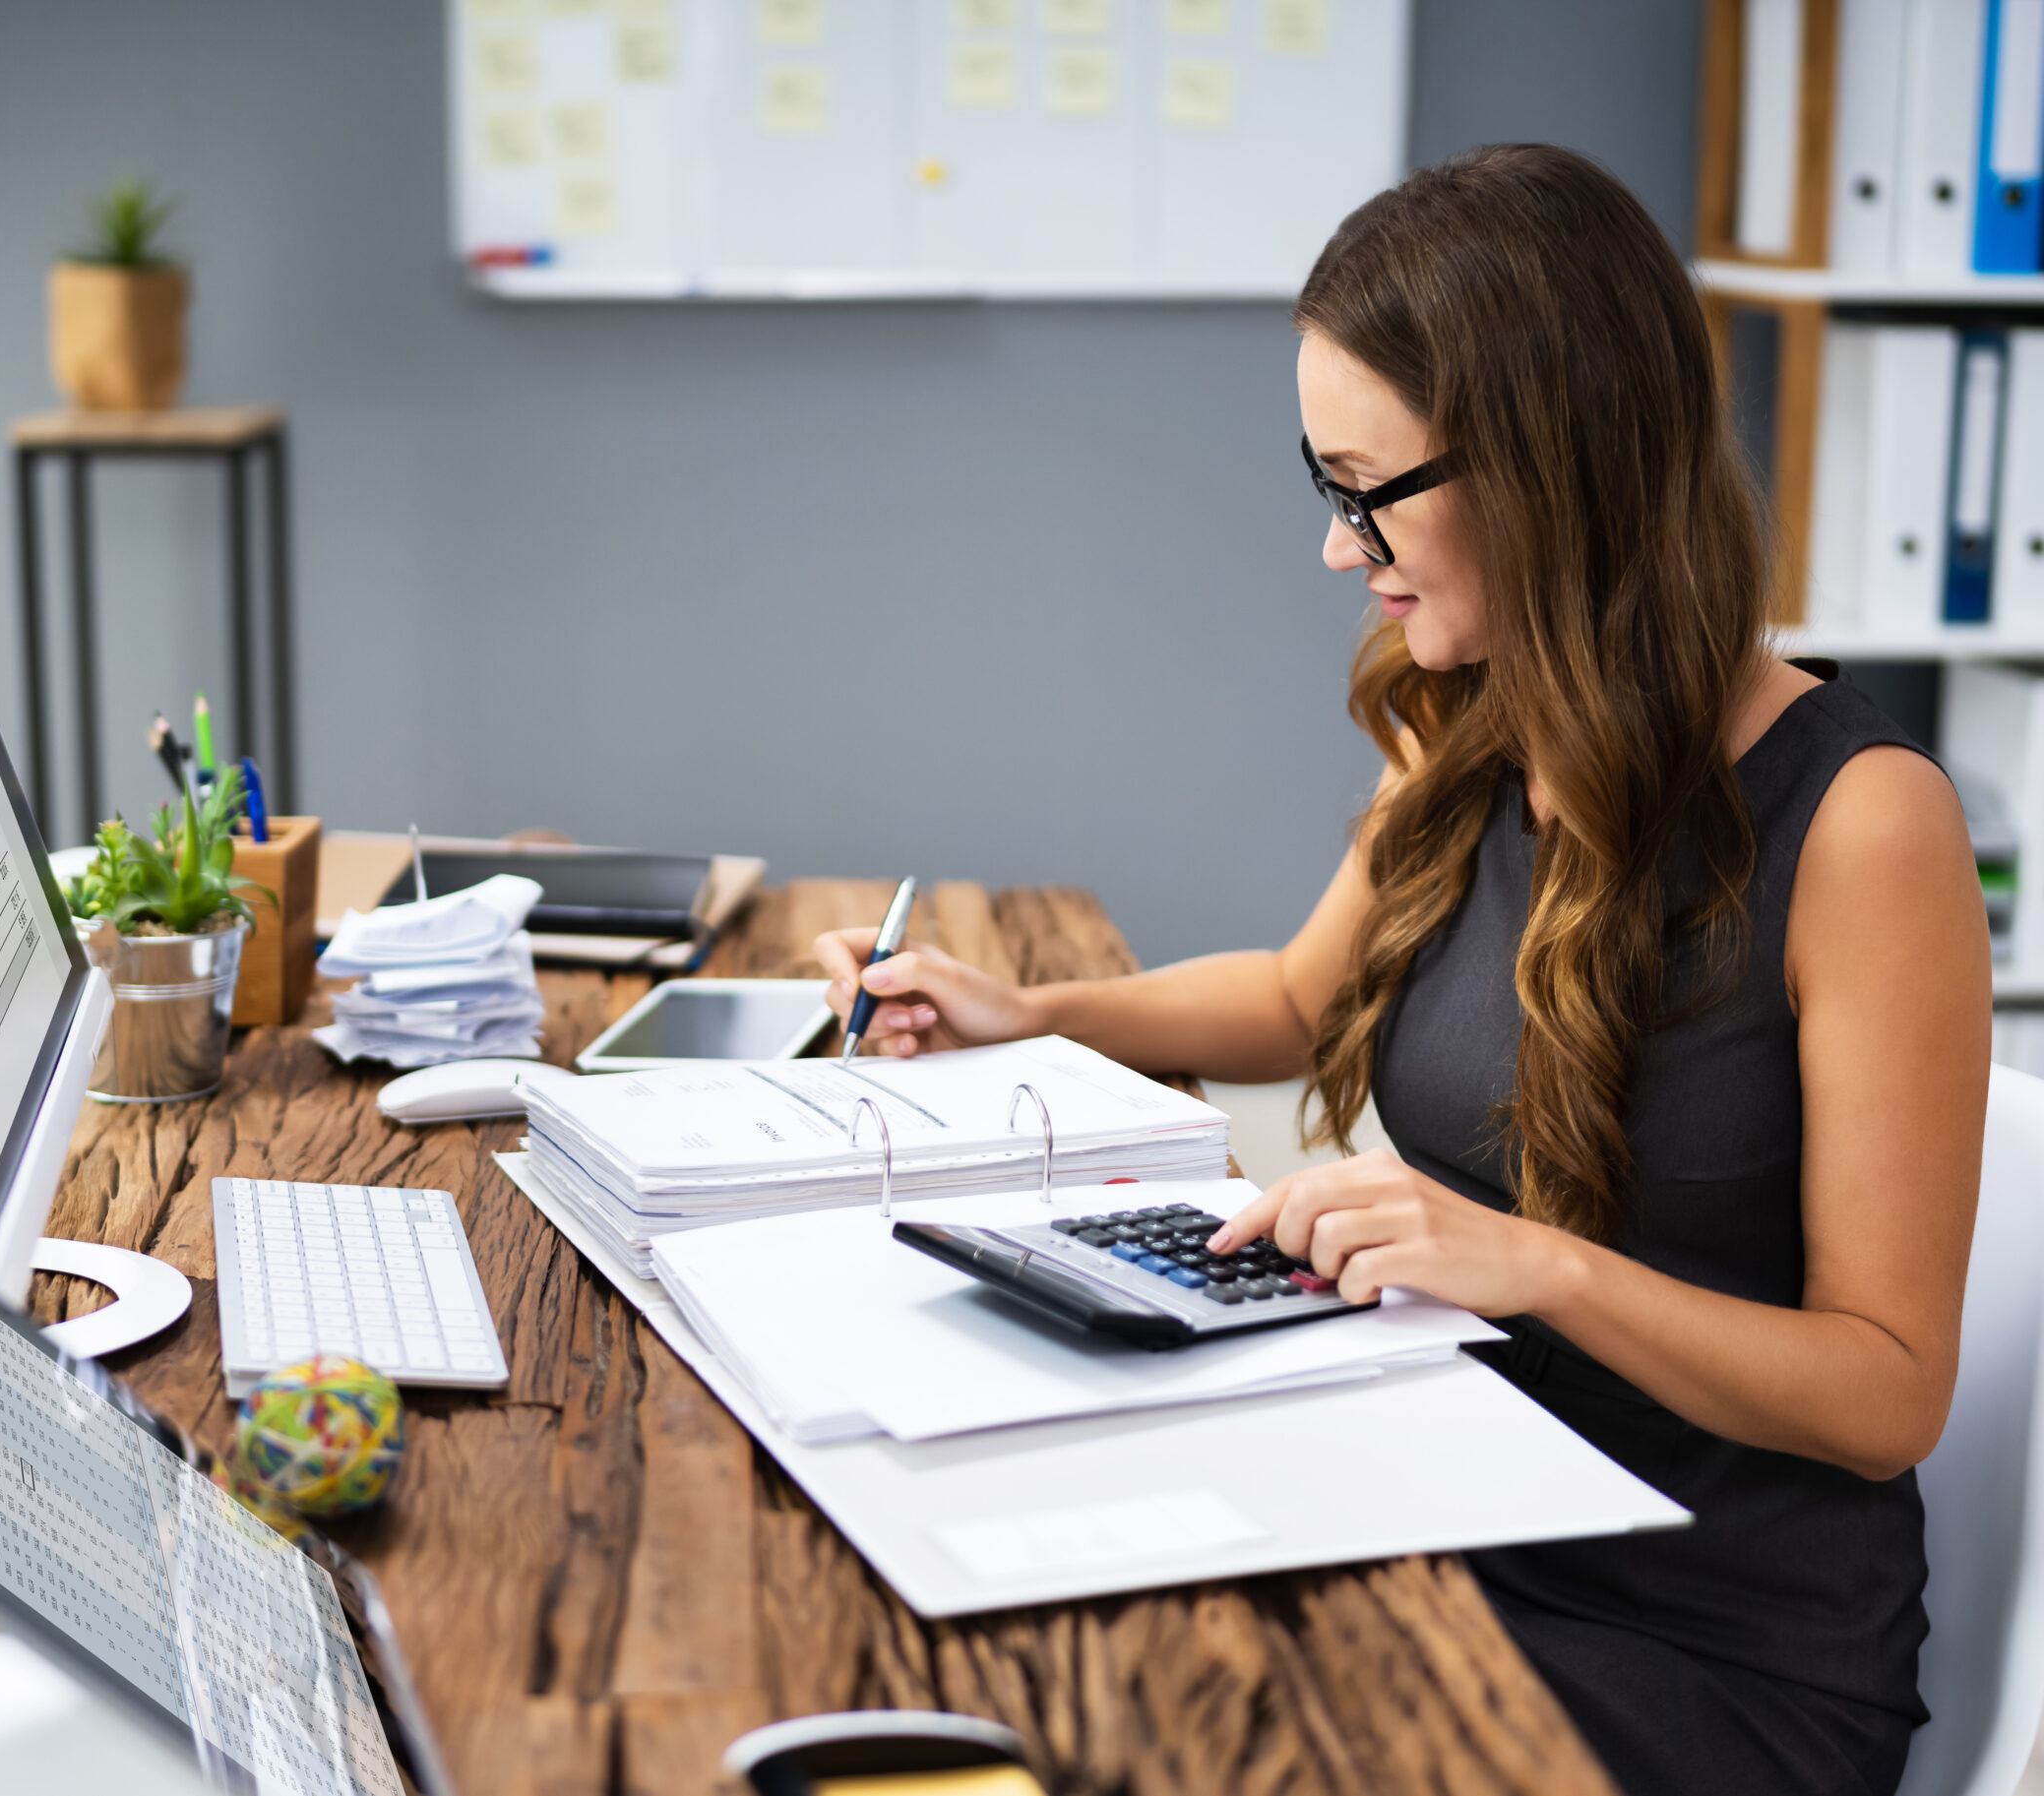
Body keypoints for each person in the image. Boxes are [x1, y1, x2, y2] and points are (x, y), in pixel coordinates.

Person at [815, 144, 1991, 1796]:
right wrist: (1038, 1012)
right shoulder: (1470, 705)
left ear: (1544, 464)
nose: (1338, 546)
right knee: (1030, 1669)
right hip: (1442, 1502)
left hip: (1704, 1649)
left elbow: (1884, 1392)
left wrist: (1534, 1263)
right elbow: (1303, 997)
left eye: (1367, 488)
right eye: (1327, 487)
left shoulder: (1865, 823)